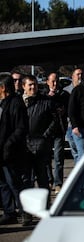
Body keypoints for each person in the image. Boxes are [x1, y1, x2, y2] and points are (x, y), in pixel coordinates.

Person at [0, 74, 29, 225]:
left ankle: (24, 213)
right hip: (2, 152)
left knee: (15, 183)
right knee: (3, 183)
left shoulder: (16, 103)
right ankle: (9, 212)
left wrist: (9, 144)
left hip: (12, 152)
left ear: (3, 87)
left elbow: (21, 128)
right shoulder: (2, 103)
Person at [23, 74, 58, 193]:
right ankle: (26, 208)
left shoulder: (46, 101)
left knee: (42, 177)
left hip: (41, 145)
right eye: (30, 85)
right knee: (26, 179)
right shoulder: (19, 102)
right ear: (24, 86)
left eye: (35, 84)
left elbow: (54, 121)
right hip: (24, 146)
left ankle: (45, 206)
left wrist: (44, 137)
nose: (33, 87)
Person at [43, 72, 70, 194]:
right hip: (46, 130)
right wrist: (48, 97)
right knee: (47, 158)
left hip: (59, 129)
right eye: (52, 81)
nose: (55, 84)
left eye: (56, 81)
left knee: (59, 157)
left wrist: (63, 110)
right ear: (47, 82)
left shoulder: (64, 95)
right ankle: (49, 180)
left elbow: (69, 109)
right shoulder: (43, 95)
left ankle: (58, 183)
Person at [63, 67, 82, 163]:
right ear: (72, 76)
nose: (80, 77)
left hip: (82, 125)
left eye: (81, 74)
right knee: (74, 152)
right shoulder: (66, 91)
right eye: (78, 74)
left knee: (81, 151)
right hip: (70, 125)